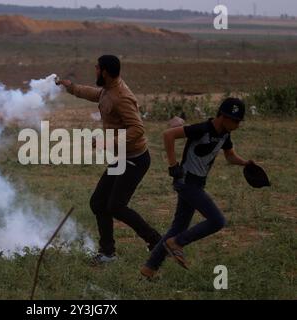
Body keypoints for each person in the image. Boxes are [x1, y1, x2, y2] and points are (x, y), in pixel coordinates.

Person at [58, 55, 161, 264]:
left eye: (97, 68)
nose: (94, 70)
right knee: (98, 203)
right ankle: (107, 253)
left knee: (116, 206)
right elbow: (97, 95)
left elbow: (138, 129)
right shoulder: (109, 89)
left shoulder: (122, 96)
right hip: (123, 157)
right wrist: (71, 87)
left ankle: (157, 242)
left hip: (134, 160)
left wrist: (108, 141)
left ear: (104, 71)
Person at [141, 98, 255, 278]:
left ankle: (149, 269)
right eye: (236, 120)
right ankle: (177, 243)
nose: (238, 125)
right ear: (223, 117)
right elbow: (168, 135)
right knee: (217, 221)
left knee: (177, 227)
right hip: (186, 182)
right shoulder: (201, 129)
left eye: (239, 121)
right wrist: (173, 165)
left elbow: (230, 156)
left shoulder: (225, 134)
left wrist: (245, 163)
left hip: (197, 183)